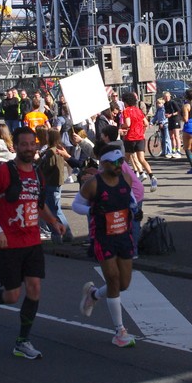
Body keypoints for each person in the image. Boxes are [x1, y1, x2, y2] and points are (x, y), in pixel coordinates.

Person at [0, 126, 65, 359]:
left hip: (31, 241)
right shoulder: (4, 172)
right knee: (11, 295)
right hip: (7, 242)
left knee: (34, 288)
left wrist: (54, 222)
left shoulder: (38, 175)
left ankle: (22, 341)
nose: (29, 148)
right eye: (24, 144)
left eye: (32, 144)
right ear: (16, 147)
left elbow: (39, 204)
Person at [76, 149, 139, 347]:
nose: (119, 165)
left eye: (121, 161)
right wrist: (92, 210)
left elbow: (131, 198)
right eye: (114, 162)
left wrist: (134, 208)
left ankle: (93, 294)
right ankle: (120, 331)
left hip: (124, 234)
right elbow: (76, 205)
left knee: (123, 284)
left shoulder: (126, 179)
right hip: (103, 237)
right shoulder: (93, 184)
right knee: (112, 279)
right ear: (103, 164)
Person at [119, 92, 156, 190]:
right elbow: (146, 123)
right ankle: (152, 176)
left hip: (130, 138)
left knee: (125, 160)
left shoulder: (126, 111)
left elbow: (127, 123)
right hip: (140, 137)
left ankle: (122, 180)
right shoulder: (138, 110)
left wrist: (121, 126)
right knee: (142, 159)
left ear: (126, 102)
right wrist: (141, 130)